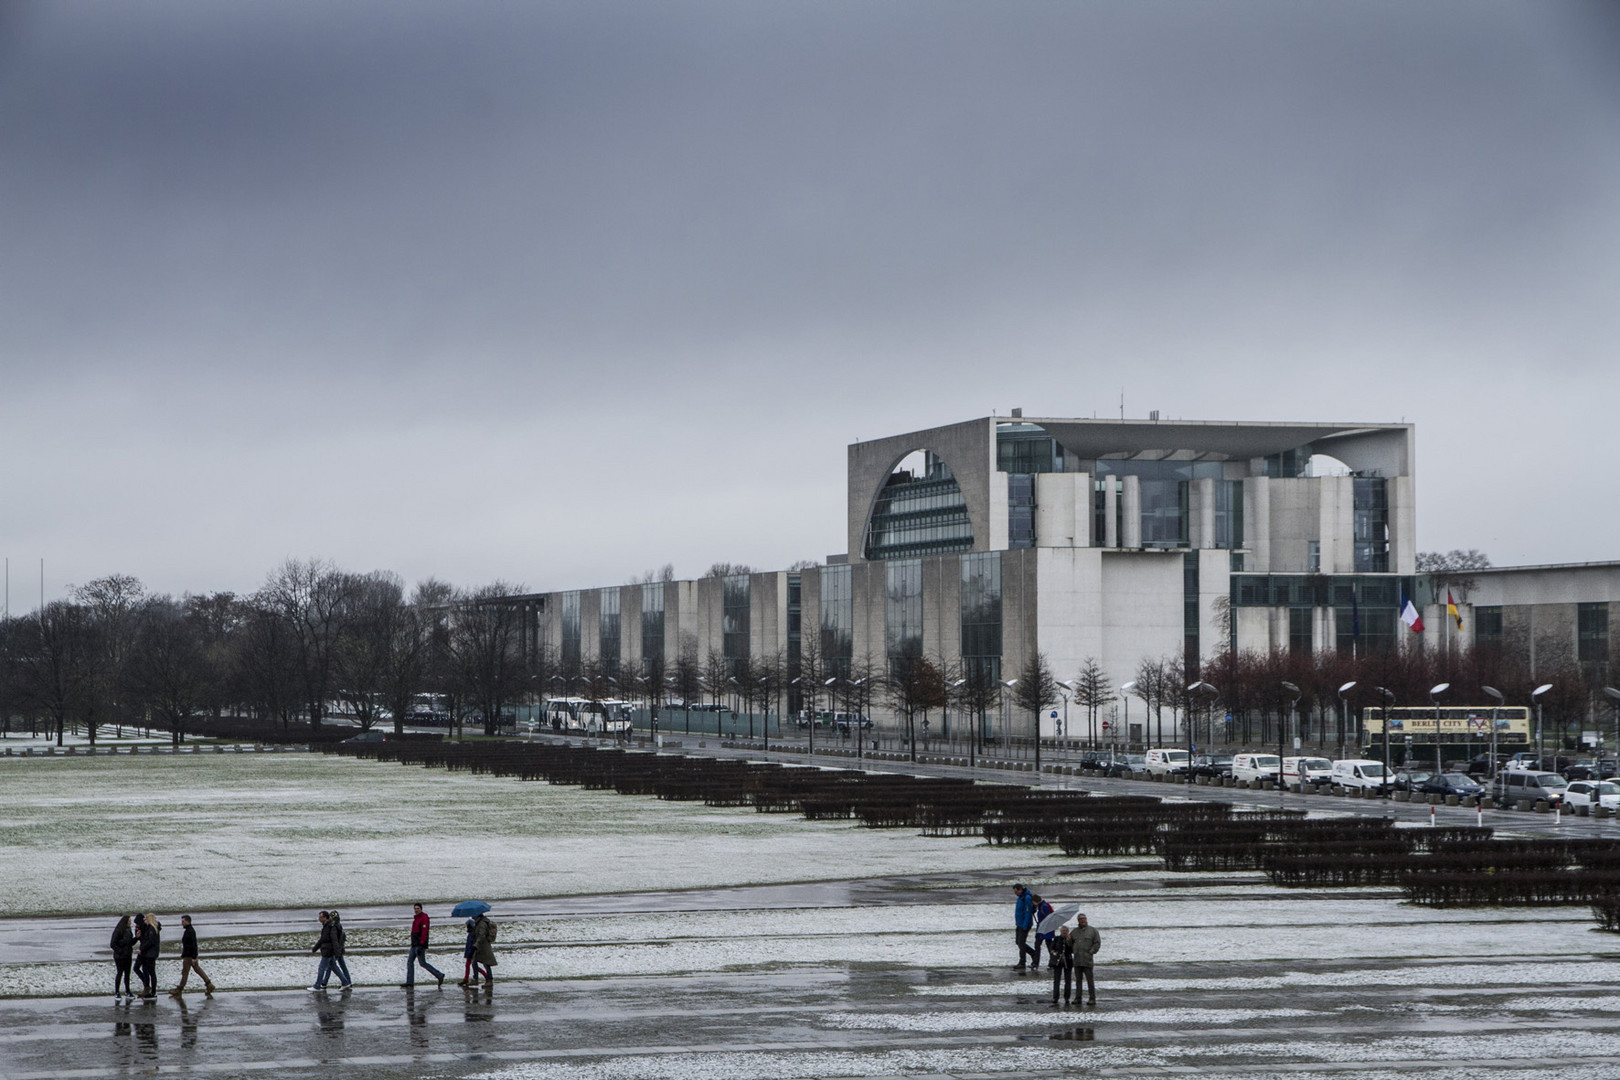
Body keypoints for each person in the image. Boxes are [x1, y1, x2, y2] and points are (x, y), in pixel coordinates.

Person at [169, 915, 216, 997]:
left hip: (189, 956)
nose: (182, 923)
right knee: (197, 970)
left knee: (185, 972)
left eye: (183, 921)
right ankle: (209, 984)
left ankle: (179, 989)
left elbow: (194, 945)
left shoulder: (190, 931)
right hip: (189, 955)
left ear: (188, 921)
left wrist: (194, 957)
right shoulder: (188, 930)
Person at [403, 903, 445, 988]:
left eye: (417, 908)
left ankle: (439, 975)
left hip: (419, 945)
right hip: (414, 944)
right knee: (410, 962)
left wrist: (421, 944)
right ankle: (409, 982)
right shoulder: (416, 919)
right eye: (415, 908)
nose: (416, 910)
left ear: (421, 909)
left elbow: (424, 932)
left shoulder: (424, 918)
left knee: (422, 963)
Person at [1071, 912, 1102, 1006]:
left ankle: (1092, 998)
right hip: (1077, 960)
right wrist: (1068, 940)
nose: (1083, 920)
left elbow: (1097, 943)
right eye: (1080, 919)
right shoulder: (1074, 932)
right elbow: (1069, 945)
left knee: (1090, 980)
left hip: (1087, 960)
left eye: (1084, 918)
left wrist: (1091, 951)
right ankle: (1078, 998)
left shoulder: (1092, 931)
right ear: (1078, 921)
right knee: (1078, 981)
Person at [1012, 884, 1038, 971]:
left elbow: (1028, 912)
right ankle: (1033, 953)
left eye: (1016, 891)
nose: (1015, 893)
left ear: (1020, 890)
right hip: (1019, 923)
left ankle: (1022, 962)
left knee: (1021, 943)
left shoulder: (1026, 898)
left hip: (1024, 924)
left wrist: (1025, 925)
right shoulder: (1020, 897)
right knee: (1018, 942)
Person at [309, 911, 338, 991]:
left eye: (321, 917)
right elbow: (322, 939)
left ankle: (317, 985)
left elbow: (333, 940)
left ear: (325, 917)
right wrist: (315, 948)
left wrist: (337, 951)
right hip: (328, 950)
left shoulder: (329, 927)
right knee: (334, 968)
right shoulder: (326, 926)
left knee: (321, 968)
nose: (319, 919)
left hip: (328, 951)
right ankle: (345, 982)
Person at [135, 914, 162, 998]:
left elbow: (150, 942)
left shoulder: (151, 929)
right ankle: (150, 990)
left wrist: (142, 949)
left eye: (146, 919)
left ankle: (152, 991)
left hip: (150, 954)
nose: (144, 921)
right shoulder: (152, 928)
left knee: (151, 972)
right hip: (150, 953)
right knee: (150, 972)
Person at [1049, 925, 1076, 1005]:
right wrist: (1055, 954)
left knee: (1068, 981)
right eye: (1063, 931)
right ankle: (1055, 997)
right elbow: (1051, 949)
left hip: (1068, 962)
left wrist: (1069, 942)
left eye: (1066, 931)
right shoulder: (1057, 939)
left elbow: (1073, 950)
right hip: (1058, 962)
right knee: (1056, 980)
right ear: (1060, 931)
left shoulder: (1070, 940)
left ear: (1068, 932)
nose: (1064, 932)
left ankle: (1067, 998)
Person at [110, 915, 136, 999]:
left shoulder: (129, 930)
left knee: (127, 974)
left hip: (128, 955)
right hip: (120, 957)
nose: (130, 922)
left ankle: (128, 991)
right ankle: (117, 992)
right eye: (129, 921)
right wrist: (120, 951)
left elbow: (130, 943)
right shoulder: (118, 931)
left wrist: (137, 938)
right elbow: (113, 944)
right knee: (120, 973)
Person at [458, 918, 488, 986]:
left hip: (471, 952)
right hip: (470, 951)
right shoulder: (472, 934)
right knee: (470, 965)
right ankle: (467, 978)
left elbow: (470, 945)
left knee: (472, 965)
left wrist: (469, 952)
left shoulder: (472, 935)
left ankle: (485, 975)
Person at [328, 911, 353, 988]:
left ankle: (324, 983)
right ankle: (348, 981)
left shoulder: (334, 927)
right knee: (342, 965)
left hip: (337, 950)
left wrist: (336, 950)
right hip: (340, 949)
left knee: (331, 966)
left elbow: (335, 940)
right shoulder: (339, 926)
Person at [471, 911, 498, 986]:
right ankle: (478, 979)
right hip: (482, 945)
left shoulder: (481, 923)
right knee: (477, 962)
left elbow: (481, 935)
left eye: (472, 915)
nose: (471, 916)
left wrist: (477, 943)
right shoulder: (480, 922)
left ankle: (488, 980)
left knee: (485, 963)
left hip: (483, 946)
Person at [1031, 894, 1055, 969]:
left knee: (1047, 946)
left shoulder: (1044, 906)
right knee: (1043, 946)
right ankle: (1037, 963)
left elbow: (1048, 918)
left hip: (1045, 930)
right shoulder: (1041, 906)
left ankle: (1051, 963)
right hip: (1043, 929)